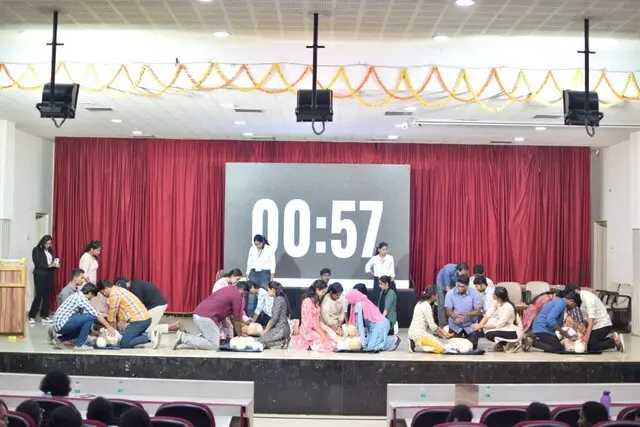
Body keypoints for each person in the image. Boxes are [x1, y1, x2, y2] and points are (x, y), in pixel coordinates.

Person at [174, 282, 249, 351]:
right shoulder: (237, 295)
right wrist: (240, 336)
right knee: (214, 345)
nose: (243, 296)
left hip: (198, 314)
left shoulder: (228, 289)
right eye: (244, 294)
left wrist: (238, 332)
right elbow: (237, 319)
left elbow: (233, 317)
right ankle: (183, 338)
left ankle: (186, 336)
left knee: (206, 340)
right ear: (241, 290)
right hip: (207, 317)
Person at [114, 277, 182, 341]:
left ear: (128, 282)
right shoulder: (135, 285)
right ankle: (173, 327)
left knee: (146, 330)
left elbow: (138, 307)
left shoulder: (135, 288)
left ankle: (173, 326)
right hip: (154, 305)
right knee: (145, 328)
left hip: (157, 305)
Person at [51, 283, 115, 350]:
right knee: (90, 316)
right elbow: (96, 314)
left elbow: (83, 319)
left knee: (84, 322)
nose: (91, 299)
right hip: (62, 324)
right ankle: (80, 345)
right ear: (90, 293)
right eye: (93, 296)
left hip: (58, 324)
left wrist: (92, 332)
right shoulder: (81, 298)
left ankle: (59, 340)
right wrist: (109, 327)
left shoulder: (77, 295)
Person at [346, 285, 400, 352]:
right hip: (380, 324)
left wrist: (362, 340)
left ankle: (393, 340)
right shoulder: (364, 300)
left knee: (371, 348)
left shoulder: (358, 304)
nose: (348, 301)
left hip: (380, 325)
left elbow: (360, 322)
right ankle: (390, 341)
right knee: (369, 344)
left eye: (349, 299)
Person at [98, 281, 151, 348]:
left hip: (139, 321)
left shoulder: (114, 295)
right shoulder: (118, 289)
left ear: (106, 289)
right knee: (124, 337)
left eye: (102, 293)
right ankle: (145, 335)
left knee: (125, 343)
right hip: (144, 318)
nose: (103, 295)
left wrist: (111, 330)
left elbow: (111, 317)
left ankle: (149, 336)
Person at [573, 287, 625, 352]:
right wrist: (582, 328)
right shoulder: (581, 302)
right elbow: (586, 320)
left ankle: (616, 341)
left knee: (591, 346)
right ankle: (612, 338)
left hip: (603, 325)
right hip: (596, 326)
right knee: (588, 344)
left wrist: (587, 335)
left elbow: (591, 320)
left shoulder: (588, 299)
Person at [473, 286, 523, 352]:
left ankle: (514, 343)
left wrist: (482, 326)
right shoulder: (497, 302)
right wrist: (479, 325)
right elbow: (488, 315)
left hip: (513, 331)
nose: (492, 294)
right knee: (487, 325)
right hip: (505, 327)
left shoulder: (508, 307)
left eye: (494, 293)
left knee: (489, 334)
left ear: (499, 298)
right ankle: (501, 344)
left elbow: (499, 325)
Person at [294, 280, 336, 352]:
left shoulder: (317, 301)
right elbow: (309, 322)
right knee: (324, 343)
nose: (324, 294)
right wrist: (321, 332)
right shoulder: (307, 301)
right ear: (317, 290)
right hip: (307, 330)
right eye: (323, 292)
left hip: (316, 327)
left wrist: (322, 331)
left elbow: (317, 319)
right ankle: (310, 345)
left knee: (329, 340)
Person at [408, 287, 453, 353]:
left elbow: (431, 325)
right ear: (432, 296)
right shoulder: (427, 306)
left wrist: (442, 332)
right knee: (441, 348)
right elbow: (432, 326)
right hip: (419, 335)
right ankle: (414, 342)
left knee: (435, 341)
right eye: (436, 295)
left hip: (412, 332)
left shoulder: (419, 303)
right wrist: (443, 334)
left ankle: (413, 341)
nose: (437, 297)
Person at [444, 274, 482, 350]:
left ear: (467, 286)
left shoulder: (475, 293)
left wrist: (467, 314)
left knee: (472, 348)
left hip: (470, 325)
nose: (460, 288)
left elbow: (478, 311)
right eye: (458, 286)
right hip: (455, 325)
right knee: (453, 348)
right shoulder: (450, 293)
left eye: (463, 287)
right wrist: (455, 317)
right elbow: (448, 311)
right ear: (456, 284)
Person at [29, 235, 59, 324]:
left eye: (50, 243)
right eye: (47, 243)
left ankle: (45, 315)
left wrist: (56, 265)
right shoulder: (36, 250)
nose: (48, 245)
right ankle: (31, 315)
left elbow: (51, 262)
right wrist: (49, 265)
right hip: (40, 274)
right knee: (39, 294)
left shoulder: (49, 251)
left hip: (49, 274)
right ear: (43, 242)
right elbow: (37, 263)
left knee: (46, 295)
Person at [246, 234, 276, 317]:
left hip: (265, 275)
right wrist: (247, 274)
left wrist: (271, 278)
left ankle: (266, 320)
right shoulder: (252, 249)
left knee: (266, 299)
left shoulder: (269, 249)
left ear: (263, 242)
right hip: (253, 274)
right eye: (255, 244)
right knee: (251, 299)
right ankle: (250, 319)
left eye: (259, 244)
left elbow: (272, 264)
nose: (257, 246)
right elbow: (249, 262)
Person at [212, 268, 244, 341]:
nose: (237, 281)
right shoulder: (220, 284)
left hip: (225, 309)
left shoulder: (229, 284)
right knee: (222, 327)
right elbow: (219, 299)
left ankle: (229, 341)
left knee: (228, 326)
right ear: (232, 276)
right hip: (219, 309)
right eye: (237, 279)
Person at [257, 281, 292, 349]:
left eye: (268, 290)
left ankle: (283, 341)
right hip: (283, 328)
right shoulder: (280, 298)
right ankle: (284, 340)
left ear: (272, 289)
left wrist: (266, 330)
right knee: (261, 342)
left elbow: (274, 318)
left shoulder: (278, 299)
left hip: (281, 329)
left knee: (260, 341)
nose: (267, 292)